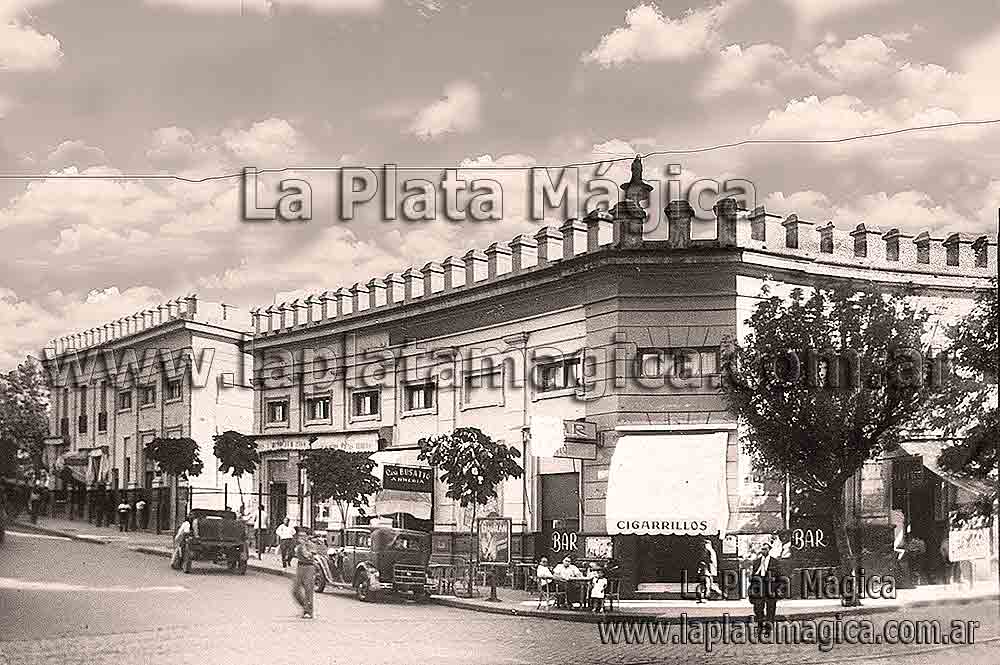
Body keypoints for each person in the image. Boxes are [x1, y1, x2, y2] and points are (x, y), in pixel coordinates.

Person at [748, 541, 785, 638]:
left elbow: (780, 576)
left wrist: (777, 588)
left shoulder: (775, 562)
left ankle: (768, 629)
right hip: (759, 587)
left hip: (770, 588)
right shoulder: (756, 562)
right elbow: (753, 576)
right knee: (758, 608)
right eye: (762, 549)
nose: (763, 551)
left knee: (770, 609)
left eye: (765, 549)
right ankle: (760, 627)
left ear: (769, 550)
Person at [291, 527, 317, 619]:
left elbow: (309, 556)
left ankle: (308, 611)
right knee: (295, 590)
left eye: (303, 536)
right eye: (300, 536)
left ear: (307, 536)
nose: (301, 537)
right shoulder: (298, 545)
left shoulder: (311, 545)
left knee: (308, 589)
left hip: (309, 567)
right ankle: (305, 606)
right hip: (300, 567)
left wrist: (304, 547)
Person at [697, 538, 720, 603]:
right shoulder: (711, 551)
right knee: (708, 584)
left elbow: (709, 561)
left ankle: (706, 596)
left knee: (707, 584)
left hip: (707, 570)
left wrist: (703, 565)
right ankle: (716, 593)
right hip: (708, 570)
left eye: (705, 543)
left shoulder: (709, 551)